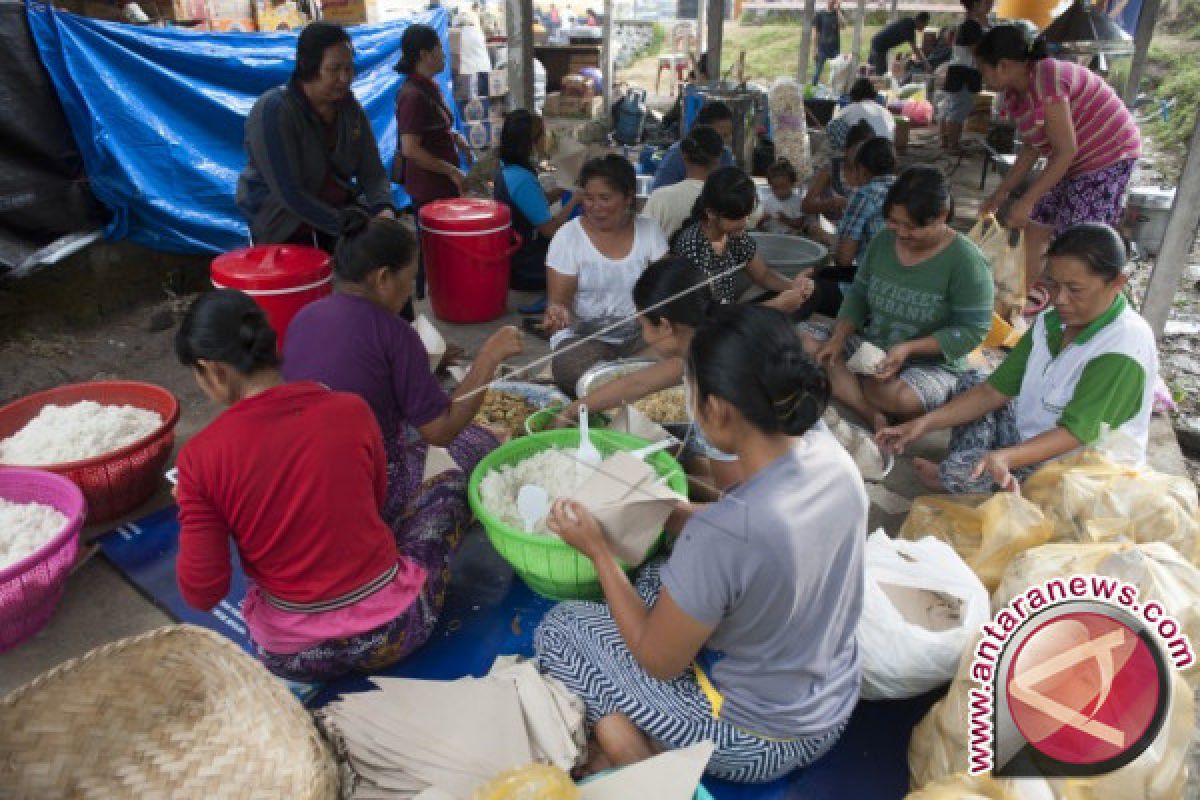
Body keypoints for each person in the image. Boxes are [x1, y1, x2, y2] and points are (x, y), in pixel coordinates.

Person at [535, 305, 866, 783]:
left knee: (563, 629)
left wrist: (599, 553)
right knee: (653, 577)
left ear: (717, 408)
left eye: (689, 391)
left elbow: (658, 662)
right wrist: (674, 514)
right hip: (831, 703)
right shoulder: (833, 459)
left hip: (754, 741)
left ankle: (633, 752)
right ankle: (634, 736)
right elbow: (762, 539)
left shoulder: (725, 535)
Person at [175, 290, 445, 682]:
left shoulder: (200, 460)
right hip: (394, 634)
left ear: (213, 369)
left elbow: (203, 593)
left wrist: (197, 509)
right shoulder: (351, 408)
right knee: (446, 490)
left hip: (295, 658)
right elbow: (375, 501)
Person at [282, 211, 523, 543]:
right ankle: (409, 553)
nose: (409, 291)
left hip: (299, 483)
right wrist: (489, 357)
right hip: (363, 491)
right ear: (383, 278)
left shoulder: (304, 317)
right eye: (409, 280)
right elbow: (441, 432)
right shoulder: (393, 333)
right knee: (479, 446)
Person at [877, 223, 1157, 493]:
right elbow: (993, 390)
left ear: (1117, 283)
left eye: (1075, 290)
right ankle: (967, 472)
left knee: (967, 471)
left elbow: (1074, 434)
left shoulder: (1122, 348)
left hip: (1079, 467)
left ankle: (963, 474)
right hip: (1035, 436)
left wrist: (1007, 457)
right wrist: (922, 424)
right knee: (973, 380)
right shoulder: (1051, 321)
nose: (1059, 299)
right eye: (1054, 285)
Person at [803, 166, 994, 431]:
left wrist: (908, 349)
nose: (902, 233)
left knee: (903, 399)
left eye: (912, 226)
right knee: (800, 340)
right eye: (894, 222)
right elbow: (858, 294)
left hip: (929, 364)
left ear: (941, 216)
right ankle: (869, 411)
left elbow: (973, 330)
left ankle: (847, 386)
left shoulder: (967, 261)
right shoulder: (883, 242)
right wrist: (838, 337)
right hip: (872, 346)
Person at [976, 26, 1142, 297]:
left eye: (984, 70)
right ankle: (1015, 301)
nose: (983, 78)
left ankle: (1078, 310)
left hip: (1108, 156)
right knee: (1035, 224)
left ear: (1003, 65)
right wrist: (1001, 193)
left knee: (1076, 243)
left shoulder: (1047, 77)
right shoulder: (1017, 92)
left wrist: (1025, 200)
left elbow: (1066, 151)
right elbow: (1032, 146)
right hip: (1071, 162)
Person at [557, 257, 743, 492]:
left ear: (665, 326)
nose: (643, 336)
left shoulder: (713, 390)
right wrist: (572, 412)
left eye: (643, 325)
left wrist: (658, 478)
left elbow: (731, 497)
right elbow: (638, 383)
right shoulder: (705, 345)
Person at [237, 22, 395, 252]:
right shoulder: (274, 111)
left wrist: (384, 209)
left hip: (337, 218)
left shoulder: (351, 111)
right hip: (283, 226)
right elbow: (289, 193)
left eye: (349, 68)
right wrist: (342, 223)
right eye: (334, 69)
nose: (345, 78)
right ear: (308, 67)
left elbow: (372, 171)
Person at [543, 155, 669, 396]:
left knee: (682, 351)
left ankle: (615, 382)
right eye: (588, 198)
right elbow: (560, 301)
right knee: (571, 367)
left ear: (628, 197)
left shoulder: (649, 231)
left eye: (605, 198)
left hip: (640, 336)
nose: (595, 207)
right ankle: (632, 381)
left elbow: (661, 290)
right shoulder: (568, 237)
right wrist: (557, 312)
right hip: (586, 340)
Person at [393, 23, 470, 318]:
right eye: (440, 49)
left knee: (439, 245)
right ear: (424, 53)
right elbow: (411, 148)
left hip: (441, 182)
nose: (444, 55)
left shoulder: (429, 87)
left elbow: (434, 128)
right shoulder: (412, 94)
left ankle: (440, 290)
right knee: (433, 247)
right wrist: (450, 170)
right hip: (429, 186)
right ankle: (433, 298)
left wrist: (454, 137)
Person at [671, 167, 814, 313]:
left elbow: (763, 274)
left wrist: (794, 286)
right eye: (738, 217)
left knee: (811, 298)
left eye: (747, 215)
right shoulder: (693, 248)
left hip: (729, 313)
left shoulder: (733, 235)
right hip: (709, 325)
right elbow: (709, 316)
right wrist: (776, 305)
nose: (745, 223)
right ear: (711, 213)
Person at [494, 110, 582, 298]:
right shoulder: (522, 179)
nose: (546, 138)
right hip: (527, 267)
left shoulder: (508, 168)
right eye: (543, 134)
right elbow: (549, 230)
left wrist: (564, 189)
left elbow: (534, 204)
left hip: (515, 256)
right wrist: (575, 200)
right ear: (530, 142)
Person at [643, 125, 724, 238]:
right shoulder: (727, 199)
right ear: (719, 157)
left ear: (683, 155)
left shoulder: (660, 199)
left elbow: (644, 243)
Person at [802, 119, 875, 240]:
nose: (862, 157)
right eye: (858, 152)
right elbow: (806, 206)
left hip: (858, 230)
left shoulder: (873, 172)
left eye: (866, 153)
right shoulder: (832, 168)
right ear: (846, 150)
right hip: (830, 227)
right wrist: (830, 203)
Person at [833, 136, 897, 269]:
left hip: (875, 279)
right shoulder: (905, 188)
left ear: (862, 170)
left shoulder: (864, 195)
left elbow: (844, 260)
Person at [939, 0, 992, 153]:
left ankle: (945, 142)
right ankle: (953, 145)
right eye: (986, 3)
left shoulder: (967, 23)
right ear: (975, 5)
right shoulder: (972, 25)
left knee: (950, 107)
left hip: (957, 71)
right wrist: (987, 72)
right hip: (965, 73)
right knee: (959, 109)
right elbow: (976, 52)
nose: (990, 5)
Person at [651, 101, 736, 191]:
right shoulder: (677, 155)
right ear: (702, 129)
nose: (724, 141)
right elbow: (659, 192)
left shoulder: (726, 156)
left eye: (728, 135)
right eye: (721, 136)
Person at [827, 78, 896, 145]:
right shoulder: (885, 112)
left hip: (865, 152)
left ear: (852, 95)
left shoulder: (850, 109)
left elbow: (831, 125)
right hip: (887, 150)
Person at [869, 12, 931, 79]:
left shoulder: (908, 22)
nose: (924, 28)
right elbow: (915, 49)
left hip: (877, 43)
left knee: (874, 70)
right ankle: (876, 87)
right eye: (924, 25)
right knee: (881, 74)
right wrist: (926, 64)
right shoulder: (909, 26)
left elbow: (915, 48)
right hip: (879, 46)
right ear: (920, 21)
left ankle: (871, 85)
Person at [759, 159, 807, 235]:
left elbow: (799, 224)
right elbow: (759, 224)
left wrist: (784, 219)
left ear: (792, 184)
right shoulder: (768, 200)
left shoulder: (798, 202)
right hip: (771, 237)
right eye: (775, 188)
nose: (780, 191)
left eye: (783, 187)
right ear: (770, 186)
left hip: (791, 238)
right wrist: (763, 219)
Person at [811, 0, 847, 85]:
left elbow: (843, 26)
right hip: (822, 48)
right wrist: (814, 49)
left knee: (837, 72)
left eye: (835, 1)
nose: (833, 2)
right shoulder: (820, 14)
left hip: (835, 48)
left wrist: (838, 11)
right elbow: (815, 33)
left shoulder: (838, 14)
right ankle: (812, 88)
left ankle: (835, 90)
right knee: (817, 71)